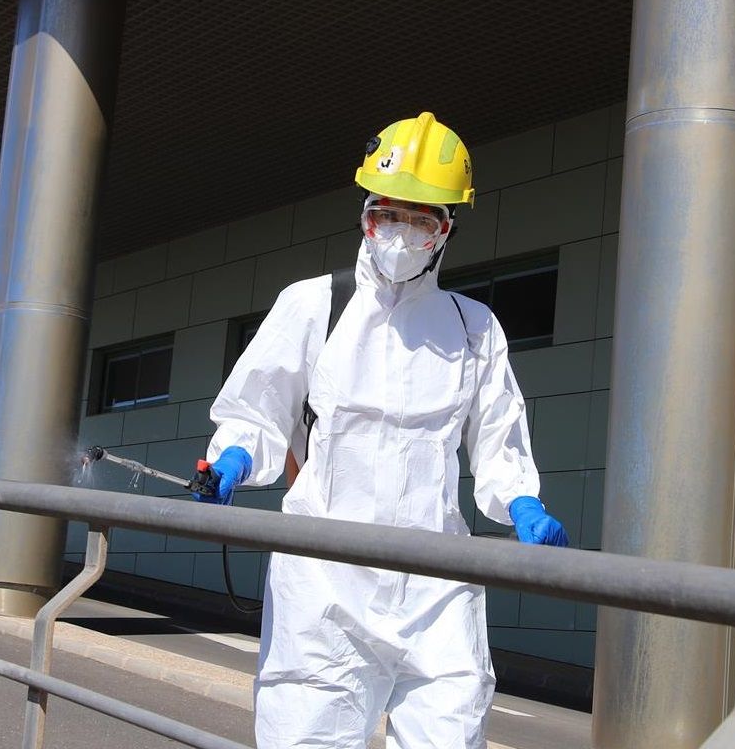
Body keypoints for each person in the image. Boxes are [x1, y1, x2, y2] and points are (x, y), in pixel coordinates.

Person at [195, 112, 569, 748]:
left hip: (437, 583)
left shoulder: (474, 327)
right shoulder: (314, 303)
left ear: (446, 231)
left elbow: (498, 436)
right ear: (365, 216)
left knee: (449, 735)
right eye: (387, 214)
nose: (402, 234)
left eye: (422, 220)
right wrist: (232, 459)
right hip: (326, 579)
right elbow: (258, 409)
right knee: (309, 738)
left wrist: (522, 503)